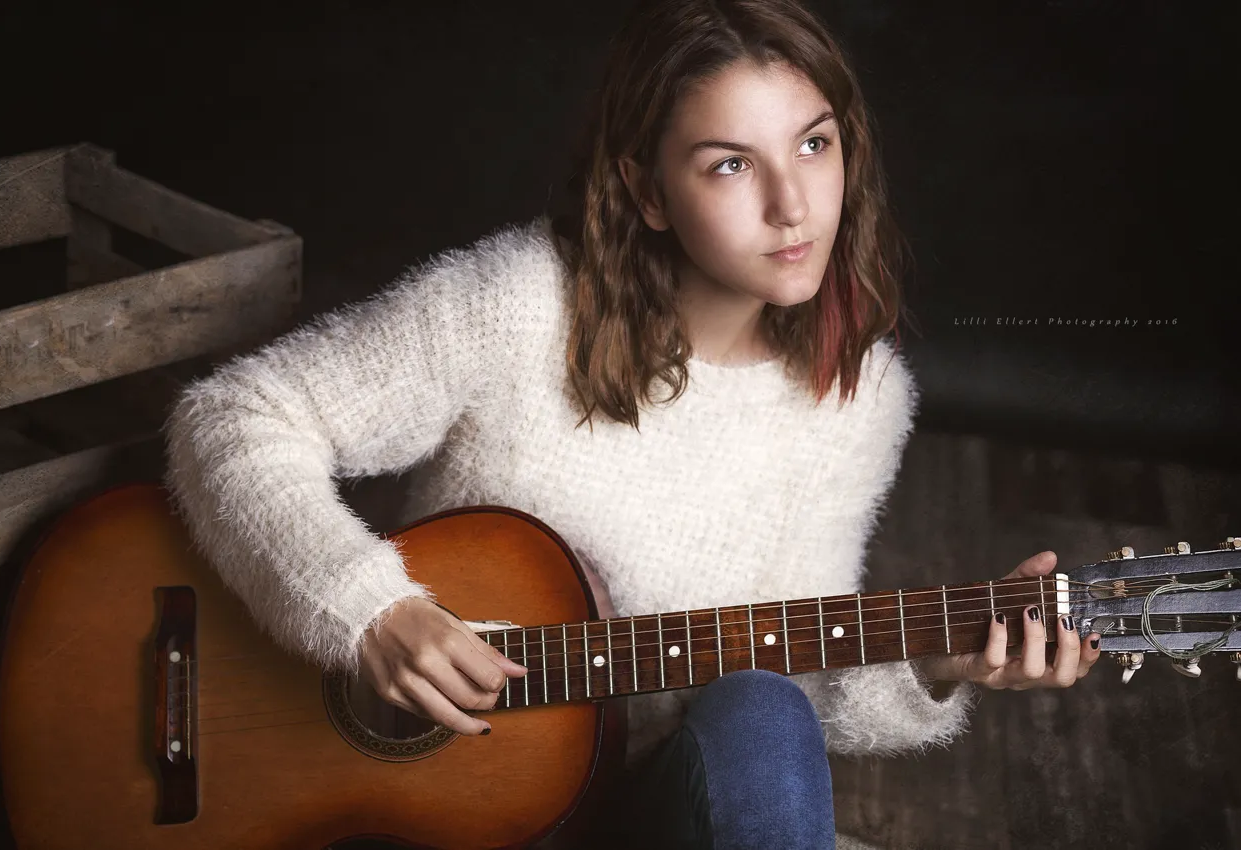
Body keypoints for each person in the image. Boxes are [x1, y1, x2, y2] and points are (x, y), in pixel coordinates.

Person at [163, 1, 1103, 847]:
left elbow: (790, 671)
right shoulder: (519, 305)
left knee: (765, 714)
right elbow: (233, 416)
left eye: (815, 145)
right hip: (421, 808)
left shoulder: (856, 396)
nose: (793, 205)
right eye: (731, 164)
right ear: (648, 192)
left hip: (635, 812)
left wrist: (935, 667)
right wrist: (370, 612)